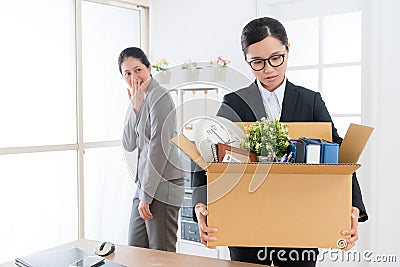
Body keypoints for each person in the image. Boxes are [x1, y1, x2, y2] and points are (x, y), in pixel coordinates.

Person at [192, 17, 368, 266]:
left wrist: (352, 206)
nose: (268, 69)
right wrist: (200, 206)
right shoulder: (235, 103)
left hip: (301, 228)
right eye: (257, 62)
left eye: (276, 58)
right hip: (246, 229)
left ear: (288, 49)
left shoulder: (310, 101)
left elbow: (339, 156)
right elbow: (206, 155)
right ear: (246, 59)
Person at [119, 47, 185, 252]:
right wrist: (134, 107)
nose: (133, 77)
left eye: (138, 70)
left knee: (160, 256)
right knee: (136, 251)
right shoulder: (140, 99)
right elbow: (129, 143)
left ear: (149, 68)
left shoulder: (160, 96)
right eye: (127, 73)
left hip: (164, 186)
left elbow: (159, 147)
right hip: (145, 184)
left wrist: (146, 196)